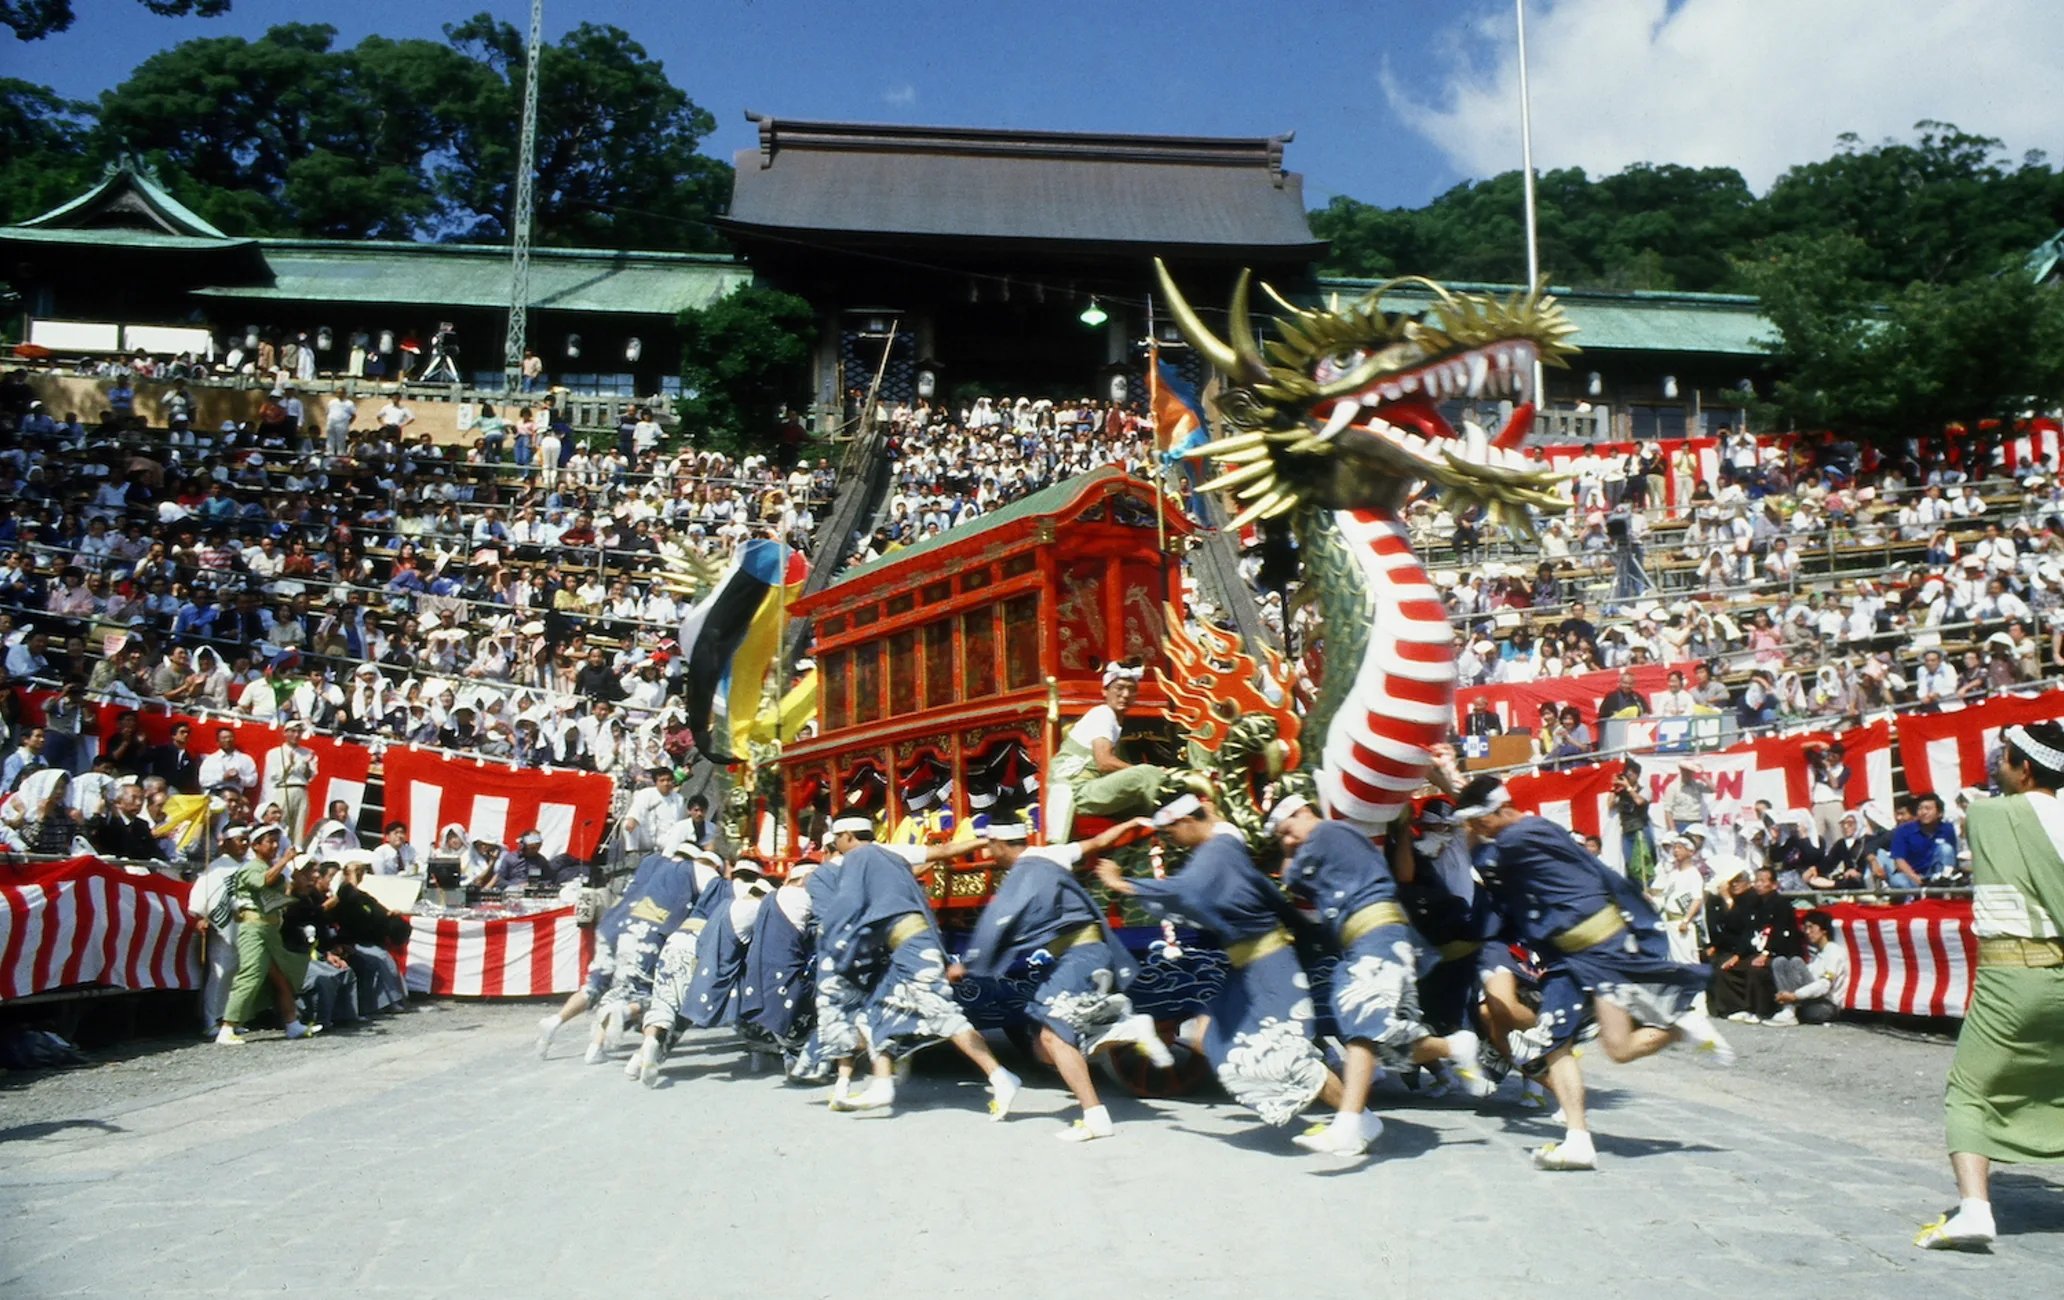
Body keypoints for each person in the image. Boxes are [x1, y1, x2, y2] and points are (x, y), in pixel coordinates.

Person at [1456, 774, 1731, 1172]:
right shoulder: (1522, 833)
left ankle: (1680, 1025)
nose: (1477, 830)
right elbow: (1478, 839)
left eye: (1481, 822)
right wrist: (1452, 787)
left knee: (1615, 1048)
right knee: (1572, 1047)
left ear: (1500, 811)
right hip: (1567, 959)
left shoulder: (1523, 836)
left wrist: (1459, 811)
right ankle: (1579, 1138)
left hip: (1599, 949)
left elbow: (1481, 855)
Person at [1094, 788, 1347, 1146]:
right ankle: (1332, 1108)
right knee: (1213, 1041)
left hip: (1268, 964)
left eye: (1172, 832)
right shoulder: (1222, 845)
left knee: (1283, 1051)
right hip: (1246, 967)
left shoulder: (1216, 852)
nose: (1173, 841)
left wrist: (1122, 883)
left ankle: (1353, 1119)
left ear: (1186, 820)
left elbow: (1189, 891)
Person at [1268, 793, 1493, 1157]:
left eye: (1288, 829)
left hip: (1379, 936)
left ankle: (1349, 1124)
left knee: (1361, 1022)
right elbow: (1295, 880)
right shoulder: (1334, 836)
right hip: (1368, 942)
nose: (1289, 840)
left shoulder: (1328, 834)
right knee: (1386, 1043)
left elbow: (1292, 874)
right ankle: (1455, 1046)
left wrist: (1289, 848)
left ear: (1303, 811)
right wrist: (1289, 841)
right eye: (1283, 837)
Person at [1916, 721, 2064, 1250]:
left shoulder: (1989, 813)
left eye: (2005, 758)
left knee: (1970, 1090)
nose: (1997, 765)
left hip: (2012, 973)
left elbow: (1978, 799)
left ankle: (1975, 1209)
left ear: (2024, 769)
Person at [952, 818, 1171, 1142]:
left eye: (989, 845)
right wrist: (1131, 822)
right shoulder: (1052, 855)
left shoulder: (1025, 873)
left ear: (1000, 843)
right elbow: (1096, 843)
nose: (988, 851)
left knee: (1054, 1038)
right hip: (1083, 954)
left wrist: (968, 963)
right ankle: (1123, 1032)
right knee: (1043, 1048)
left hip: (1081, 955)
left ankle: (1096, 1114)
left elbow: (996, 923)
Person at [811, 816, 1022, 1116]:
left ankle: (1001, 1077)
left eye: (837, 840)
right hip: (911, 943)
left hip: (910, 945)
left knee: (944, 1015)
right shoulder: (891, 854)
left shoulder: (858, 857)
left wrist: (834, 944)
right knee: (877, 1013)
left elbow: (848, 905)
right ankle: (882, 1085)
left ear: (845, 835)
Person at [215, 824, 323, 1045]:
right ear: (255, 845)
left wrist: (296, 886)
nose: (274, 846)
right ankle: (227, 1027)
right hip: (253, 930)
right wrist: (284, 860)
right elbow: (262, 881)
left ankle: (292, 1023)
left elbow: (278, 895)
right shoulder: (250, 868)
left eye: (276, 842)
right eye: (269, 842)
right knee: (250, 975)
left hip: (271, 930)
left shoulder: (270, 868)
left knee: (282, 977)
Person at [1048, 660, 1166, 840]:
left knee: (1139, 802)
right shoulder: (1103, 713)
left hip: (1088, 789)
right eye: (1119, 688)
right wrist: (1154, 773)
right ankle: (1170, 825)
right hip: (1077, 791)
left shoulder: (1115, 723)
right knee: (1146, 774)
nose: (1125, 694)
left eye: (1131, 689)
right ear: (1105, 690)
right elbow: (1104, 763)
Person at [188, 824, 251, 1038]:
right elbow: (202, 894)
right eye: (239, 839)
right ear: (226, 843)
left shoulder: (250, 866)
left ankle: (230, 1018)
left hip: (245, 926)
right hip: (223, 929)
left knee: (238, 975)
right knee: (220, 974)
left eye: (246, 839)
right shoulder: (216, 867)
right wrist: (201, 916)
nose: (244, 843)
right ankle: (210, 1019)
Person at [1770, 910, 1846, 1027]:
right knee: (1779, 962)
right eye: (1805, 928)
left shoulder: (1834, 952)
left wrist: (1794, 996)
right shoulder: (1816, 954)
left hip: (1826, 1006)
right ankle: (1789, 1009)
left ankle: (1790, 1009)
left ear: (1824, 930)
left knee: (1796, 961)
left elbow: (1824, 984)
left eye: (1811, 928)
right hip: (1809, 1001)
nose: (1807, 932)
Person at [1891, 793, 1959, 886]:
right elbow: (1899, 860)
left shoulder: (1947, 829)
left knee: (1946, 848)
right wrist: (1916, 878)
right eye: (1920, 809)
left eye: (1928, 809)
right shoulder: (1904, 830)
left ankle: (1942, 886)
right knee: (1897, 879)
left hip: (1935, 874)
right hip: (1913, 875)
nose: (1923, 812)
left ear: (1940, 813)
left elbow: (1951, 855)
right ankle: (1916, 897)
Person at [267, 722, 319, 844]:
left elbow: (310, 776)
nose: (296, 735)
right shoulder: (275, 752)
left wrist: (306, 767)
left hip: (301, 790)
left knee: (299, 826)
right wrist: (289, 766)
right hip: (284, 788)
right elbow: (275, 777)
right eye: (292, 731)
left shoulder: (308, 753)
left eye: (298, 732)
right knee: (280, 822)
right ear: (285, 733)